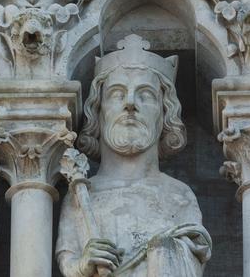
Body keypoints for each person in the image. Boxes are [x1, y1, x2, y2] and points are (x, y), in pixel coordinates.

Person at [56, 35, 208, 277]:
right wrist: (84, 265)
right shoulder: (81, 193)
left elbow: (194, 259)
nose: (130, 103)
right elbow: (68, 260)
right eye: (116, 94)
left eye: (145, 95)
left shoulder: (179, 195)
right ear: (98, 112)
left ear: (164, 114)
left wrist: (166, 250)